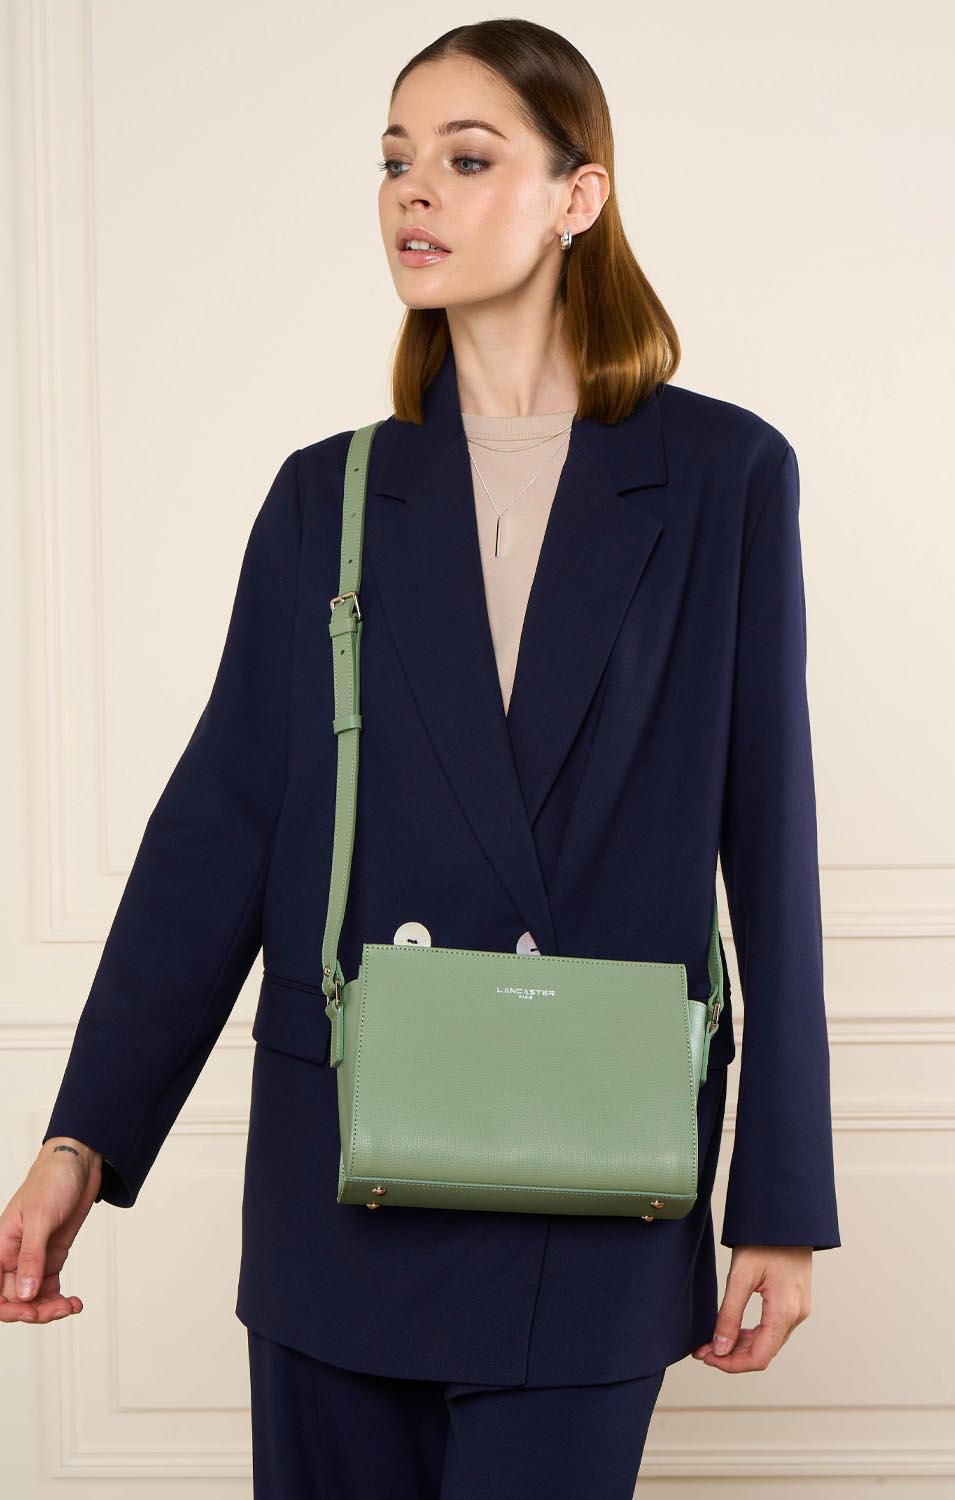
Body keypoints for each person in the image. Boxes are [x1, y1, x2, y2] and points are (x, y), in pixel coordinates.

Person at [0, 18, 840, 1498]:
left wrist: (781, 1199)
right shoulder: (327, 496)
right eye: (396, 161)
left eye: (467, 158)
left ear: (578, 195)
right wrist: (86, 1136)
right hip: (348, 1178)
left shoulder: (723, 477)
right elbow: (219, 834)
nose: (415, 193)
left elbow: (769, 842)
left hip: (596, 1173)